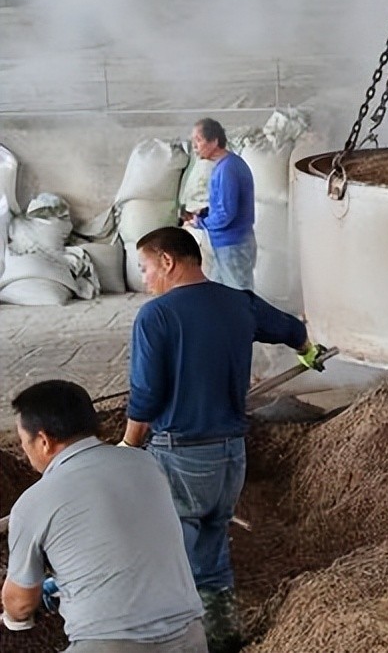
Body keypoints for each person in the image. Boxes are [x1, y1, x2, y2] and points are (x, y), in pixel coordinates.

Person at [121, 227, 322, 653]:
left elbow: (146, 395)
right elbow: (288, 327)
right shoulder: (239, 303)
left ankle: (181, 642)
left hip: (181, 456)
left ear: (169, 262)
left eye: (145, 267)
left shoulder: (156, 317)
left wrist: (127, 446)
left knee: (173, 554)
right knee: (211, 547)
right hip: (231, 456)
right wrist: (308, 348)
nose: (144, 278)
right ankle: (224, 635)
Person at [2, 380, 207, 652]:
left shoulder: (34, 502)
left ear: (43, 441)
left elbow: (20, 602)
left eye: (24, 441)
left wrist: (13, 617)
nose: (25, 452)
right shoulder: (146, 464)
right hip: (189, 637)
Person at [185, 118, 256, 291]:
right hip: (229, 244)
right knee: (219, 292)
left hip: (232, 245)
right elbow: (225, 205)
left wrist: (200, 223)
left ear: (214, 141)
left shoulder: (227, 169)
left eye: (199, 140)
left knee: (239, 296)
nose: (195, 146)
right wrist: (206, 212)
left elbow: (225, 214)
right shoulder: (227, 165)